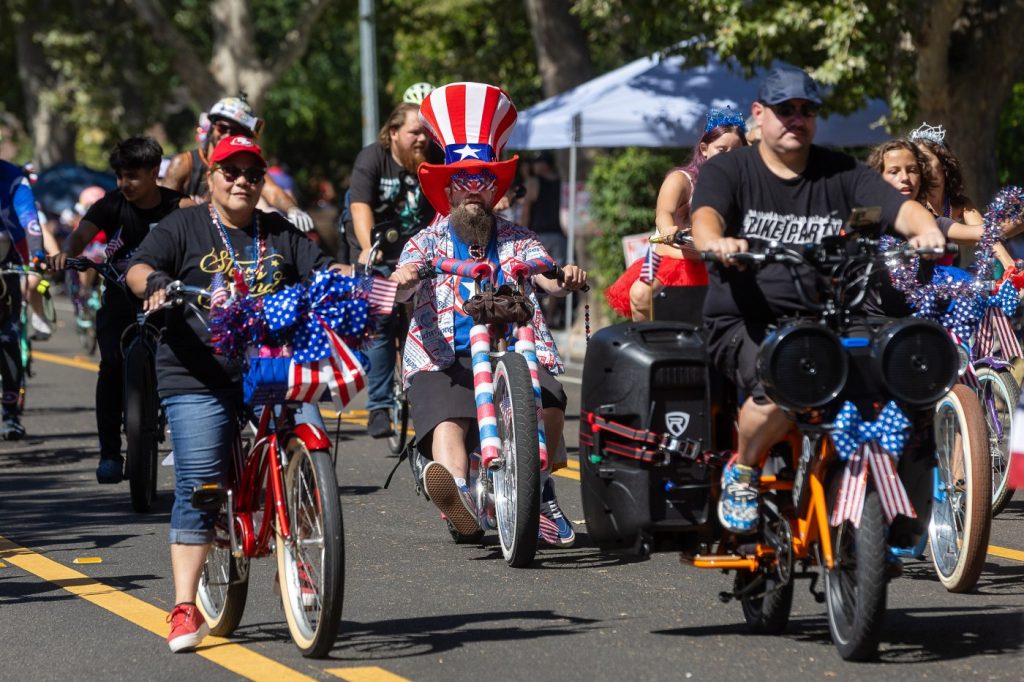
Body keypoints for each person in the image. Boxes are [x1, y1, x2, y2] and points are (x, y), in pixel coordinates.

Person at [691, 66, 947, 535]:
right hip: (747, 321)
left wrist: (925, 228)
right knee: (781, 385)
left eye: (806, 110)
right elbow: (706, 215)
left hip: (830, 316)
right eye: (785, 109)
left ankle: (891, 501)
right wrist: (716, 242)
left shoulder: (840, 172)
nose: (796, 118)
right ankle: (743, 470)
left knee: (905, 365)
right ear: (759, 114)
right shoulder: (731, 169)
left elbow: (896, 208)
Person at [125, 134, 350, 653]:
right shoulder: (182, 226)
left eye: (252, 172)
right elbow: (137, 267)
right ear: (211, 174)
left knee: (310, 440)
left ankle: (299, 560)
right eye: (231, 171)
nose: (242, 181)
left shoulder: (279, 232)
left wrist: (354, 280)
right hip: (197, 373)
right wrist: (155, 282)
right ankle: (184, 606)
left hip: (271, 367)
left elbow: (322, 270)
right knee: (202, 482)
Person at [390, 82, 587, 547]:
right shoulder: (427, 240)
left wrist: (566, 276)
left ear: (495, 188)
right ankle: (455, 495)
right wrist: (403, 278)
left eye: (482, 180)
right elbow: (405, 278)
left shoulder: (517, 235)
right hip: (444, 356)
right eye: (463, 181)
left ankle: (540, 488)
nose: (473, 190)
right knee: (449, 421)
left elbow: (546, 274)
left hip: (513, 349)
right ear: (448, 189)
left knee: (553, 399)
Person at [49, 137, 193, 483]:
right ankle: (110, 453)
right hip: (119, 295)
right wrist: (65, 253)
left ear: (155, 172)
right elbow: (79, 237)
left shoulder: (181, 206)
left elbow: (204, 239)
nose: (124, 184)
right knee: (111, 366)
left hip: (167, 298)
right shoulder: (110, 205)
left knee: (187, 359)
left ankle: (184, 436)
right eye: (119, 176)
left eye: (133, 176)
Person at [348, 101, 440, 438]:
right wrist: (369, 254)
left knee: (429, 319)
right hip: (379, 252)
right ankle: (379, 407)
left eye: (426, 133)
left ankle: (429, 400)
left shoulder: (432, 161)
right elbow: (360, 208)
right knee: (382, 322)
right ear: (393, 133)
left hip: (418, 253)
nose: (422, 139)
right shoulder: (373, 159)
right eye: (415, 132)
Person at [605, 107, 748, 320]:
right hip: (669, 257)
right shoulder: (682, 180)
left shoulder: (744, 185)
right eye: (721, 149)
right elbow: (664, 211)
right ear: (704, 149)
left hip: (716, 261)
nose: (728, 157)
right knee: (640, 294)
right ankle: (650, 348)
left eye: (735, 151)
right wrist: (668, 228)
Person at [161, 95, 315, 233]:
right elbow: (161, 207)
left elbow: (273, 192)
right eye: (222, 127)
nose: (227, 134)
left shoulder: (249, 168)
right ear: (212, 127)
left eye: (235, 131)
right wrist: (190, 206)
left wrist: (293, 209)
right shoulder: (183, 163)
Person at [909, 123, 1016, 269]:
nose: (920, 166)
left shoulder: (961, 205)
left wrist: (1010, 267)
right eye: (916, 162)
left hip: (948, 287)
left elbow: (987, 235)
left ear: (943, 163)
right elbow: (981, 235)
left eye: (925, 159)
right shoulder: (913, 206)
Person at [0, 151, 43, 439]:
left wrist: (36, 260)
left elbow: (30, 222)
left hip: (6, 261)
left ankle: (10, 414)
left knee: (7, 336)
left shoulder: (13, 177)